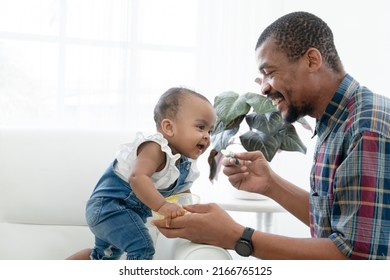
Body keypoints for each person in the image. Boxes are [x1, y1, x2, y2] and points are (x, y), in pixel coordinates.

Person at [154, 11, 390, 260]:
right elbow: (336, 221)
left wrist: (235, 235)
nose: (264, 87)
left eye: (270, 72)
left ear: (312, 60)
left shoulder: (366, 129)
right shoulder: (338, 119)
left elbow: (358, 260)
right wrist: (270, 184)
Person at [66, 87, 216, 260]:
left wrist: (191, 214)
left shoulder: (184, 165)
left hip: (122, 213)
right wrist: (162, 206)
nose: (207, 136)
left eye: (210, 131)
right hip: (109, 208)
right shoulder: (155, 148)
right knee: (142, 247)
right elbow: (137, 178)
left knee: (101, 257)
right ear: (168, 127)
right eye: (200, 127)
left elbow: (181, 194)